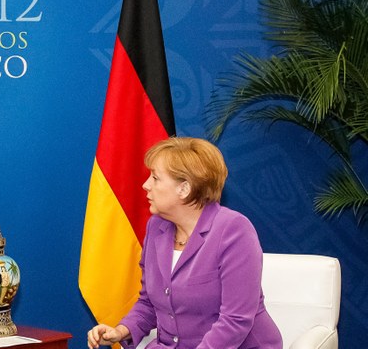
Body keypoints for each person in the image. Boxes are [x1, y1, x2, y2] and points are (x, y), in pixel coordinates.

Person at [87, 137, 282, 349]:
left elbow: (235, 321)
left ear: (184, 189)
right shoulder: (157, 227)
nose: (146, 185)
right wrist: (120, 331)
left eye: (155, 178)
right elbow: (150, 303)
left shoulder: (234, 230)